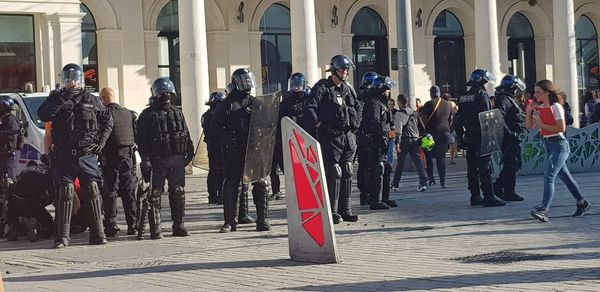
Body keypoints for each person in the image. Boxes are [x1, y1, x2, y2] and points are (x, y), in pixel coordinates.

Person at [38, 63, 114, 248]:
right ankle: (62, 237)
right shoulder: (57, 98)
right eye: (68, 77)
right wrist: (62, 98)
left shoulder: (91, 99)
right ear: (63, 79)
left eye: (74, 77)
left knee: (93, 190)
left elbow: (108, 120)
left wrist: (101, 143)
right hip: (64, 155)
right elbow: (43, 114)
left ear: (80, 79)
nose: (71, 81)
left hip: (87, 154)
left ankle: (98, 234)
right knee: (66, 192)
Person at [211, 68, 271, 233]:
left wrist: (262, 141)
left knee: (261, 183)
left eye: (248, 79)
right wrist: (226, 140)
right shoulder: (227, 104)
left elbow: (267, 126)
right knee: (232, 184)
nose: (247, 83)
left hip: (253, 150)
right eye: (243, 80)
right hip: (234, 150)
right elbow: (215, 128)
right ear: (236, 82)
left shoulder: (256, 103)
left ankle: (262, 220)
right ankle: (230, 221)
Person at [137, 77, 195, 239]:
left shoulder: (177, 112)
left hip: (176, 159)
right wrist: (145, 159)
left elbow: (185, 132)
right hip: (157, 160)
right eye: (163, 92)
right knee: (155, 194)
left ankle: (179, 225)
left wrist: (189, 152)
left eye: (168, 92)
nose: (166, 95)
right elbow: (141, 140)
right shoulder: (147, 115)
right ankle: (156, 229)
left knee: (178, 191)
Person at [526, 80, 591, 222]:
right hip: (548, 144)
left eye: (538, 92)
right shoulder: (540, 107)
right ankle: (582, 202)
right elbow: (529, 126)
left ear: (547, 92)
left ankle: (544, 209)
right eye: (535, 92)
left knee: (549, 175)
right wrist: (529, 110)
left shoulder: (556, 107)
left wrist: (542, 124)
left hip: (560, 145)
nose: (535, 95)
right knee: (565, 176)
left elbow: (561, 128)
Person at [307, 55, 361, 224]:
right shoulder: (323, 87)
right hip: (331, 137)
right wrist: (319, 124)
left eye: (347, 69)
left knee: (348, 170)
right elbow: (310, 107)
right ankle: (333, 211)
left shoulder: (347, 88)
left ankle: (347, 210)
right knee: (335, 172)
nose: (345, 72)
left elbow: (357, 106)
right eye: (342, 69)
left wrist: (356, 124)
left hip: (348, 136)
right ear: (334, 70)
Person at [454, 69, 505, 207]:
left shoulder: (463, 96)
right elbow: (486, 116)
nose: (487, 85)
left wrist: (460, 137)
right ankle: (489, 195)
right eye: (486, 82)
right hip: (482, 134)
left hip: (469, 134)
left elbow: (457, 119)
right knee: (484, 166)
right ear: (482, 81)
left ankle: (475, 196)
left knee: (472, 167)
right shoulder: (481, 94)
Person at [100, 87, 138, 237]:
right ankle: (132, 224)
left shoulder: (104, 114)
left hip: (110, 158)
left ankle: (111, 225)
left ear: (103, 98)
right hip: (127, 157)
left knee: (110, 191)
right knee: (128, 191)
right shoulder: (128, 113)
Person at [359, 76, 399, 210]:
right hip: (377, 142)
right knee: (377, 169)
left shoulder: (383, 104)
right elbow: (375, 123)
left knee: (387, 169)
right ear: (381, 90)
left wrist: (393, 139)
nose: (388, 92)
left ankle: (385, 198)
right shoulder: (374, 103)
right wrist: (381, 138)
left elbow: (390, 124)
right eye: (387, 90)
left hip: (387, 140)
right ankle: (375, 200)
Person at [270, 72, 311, 201]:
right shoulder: (286, 103)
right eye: (294, 85)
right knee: (287, 169)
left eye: (298, 85)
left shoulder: (309, 101)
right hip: (289, 140)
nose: (296, 88)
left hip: (306, 140)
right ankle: (284, 191)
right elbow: (280, 120)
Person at [492, 75, 526, 202]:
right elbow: (499, 117)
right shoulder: (503, 99)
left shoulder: (507, 98)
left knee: (514, 163)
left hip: (512, 134)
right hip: (508, 137)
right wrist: (508, 132)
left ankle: (501, 187)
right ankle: (508, 191)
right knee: (512, 162)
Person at [4, 158, 54, 242]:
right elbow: (52, 194)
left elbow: (11, 191)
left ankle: (13, 226)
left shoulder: (26, 171)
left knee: (13, 204)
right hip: (33, 204)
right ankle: (36, 224)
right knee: (48, 223)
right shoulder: (49, 173)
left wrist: (8, 220)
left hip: (16, 204)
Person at [392, 94, 429, 192]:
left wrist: (397, 143)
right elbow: (422, 127)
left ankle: (395, 184)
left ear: (399, 102)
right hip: (415, 139)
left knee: (400, 163)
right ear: (407, 102)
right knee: (418, 162)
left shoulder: (399, 114)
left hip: (404, 139)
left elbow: (398, 130)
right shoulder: (414, 113)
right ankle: (423, 183)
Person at [420, 86, 453, 187]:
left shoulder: (429, 104)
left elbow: (423, 119)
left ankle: (431, 179)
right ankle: (443, 180)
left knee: (428, 156)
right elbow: (451, 119)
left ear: (431, 93)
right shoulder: (448, 104)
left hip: (430, 134)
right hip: (445, 133)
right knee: (441, 157)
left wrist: (423, 131)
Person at [356, 71, 379, 206]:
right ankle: (369, 193)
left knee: (363, 167)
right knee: (371, 167)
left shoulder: (361, 97)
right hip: (369, 137)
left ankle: (364, 194)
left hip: (361, 137)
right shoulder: (373, 99)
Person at [202, 92, 226, 204]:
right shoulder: (214, 115)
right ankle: (219, 195)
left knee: (214, 171)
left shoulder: (206, 115)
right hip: (217, 145)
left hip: (212, 146)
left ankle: (213, 195)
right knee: (220, 170)